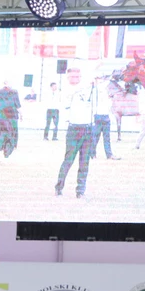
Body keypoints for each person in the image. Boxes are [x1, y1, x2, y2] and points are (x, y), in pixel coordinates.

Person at [55, 68, 94, 198]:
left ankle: (80, 191)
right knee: (68, 160)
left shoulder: (87, 89)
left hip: (88, 128)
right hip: (74, 129)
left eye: (78, 76)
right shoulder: (65, 91)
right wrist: (85, 86)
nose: (76, 79)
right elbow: (66, 103)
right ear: (68, 77)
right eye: (73, 77)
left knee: (84, 162)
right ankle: (59, 187)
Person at [89, 72, 118, 161]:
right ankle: (92, 154)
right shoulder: (95, 90)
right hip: (98, 116)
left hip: (105, 115)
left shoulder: (105, 91)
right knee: (95, 137)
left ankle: (109, 154)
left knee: (106, 137)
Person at [0, 79, 22, 162]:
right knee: (11, 135)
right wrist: (21, 114)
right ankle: (7, 152)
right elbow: (17, 104)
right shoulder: (14, 92)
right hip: (11, 117)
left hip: (0, 117)